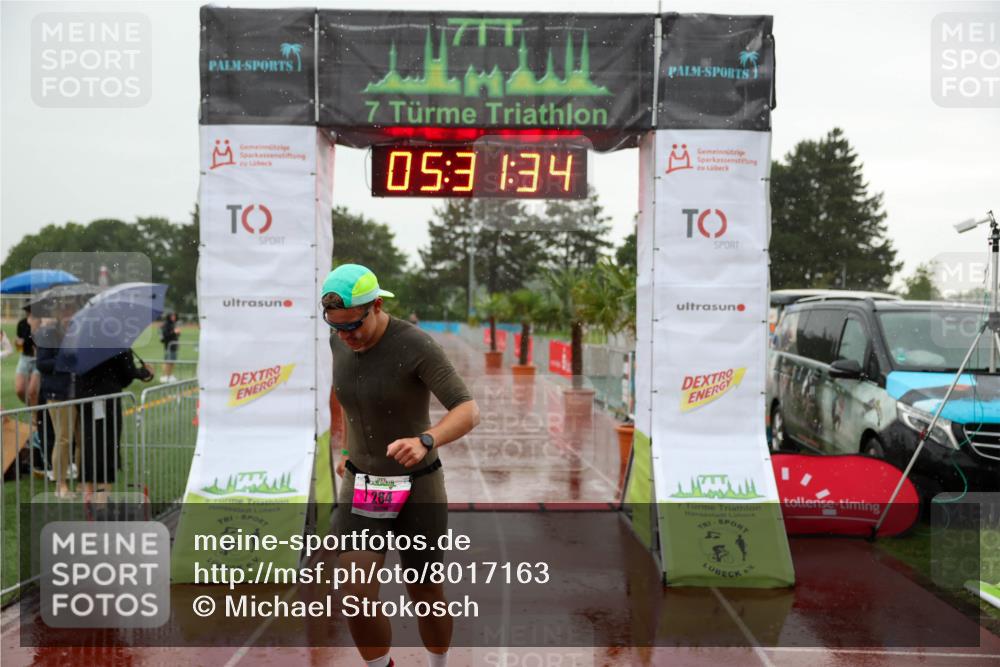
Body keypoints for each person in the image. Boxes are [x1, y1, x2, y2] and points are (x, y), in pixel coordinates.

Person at [323, 264, 479, 667]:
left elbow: (468, 409)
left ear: (376, 306)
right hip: (364, 485)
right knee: (355, 594)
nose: (346, 336)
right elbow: (341, 397)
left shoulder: (415, 345)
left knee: (424, 590)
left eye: (353, 326)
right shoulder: (338, 342)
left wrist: (427, 439)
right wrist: (345, 449)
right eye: (337, 327)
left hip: (418, 485)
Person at [77, 349, 153, 511]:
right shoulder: (117, 342)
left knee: (90, 444)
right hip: (107, 397)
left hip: (85, 397)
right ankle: (102, 500)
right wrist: (144, 372)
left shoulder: (83, 339)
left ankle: (88, 495)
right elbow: (126, 375)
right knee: (107, 446)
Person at [34, 302, 79, 498]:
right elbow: (42, 364)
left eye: (73, 309)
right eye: (66, 309)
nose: (69, 313)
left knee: (82, 439)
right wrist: (65, 359)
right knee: (63, 439)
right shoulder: (48, 333)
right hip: (58, 394)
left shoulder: (81, 331)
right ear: (59, 312)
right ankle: (60, 485)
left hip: (81, 392)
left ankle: (81, 482)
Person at [14, 306, 40, 404]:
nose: (28, 315)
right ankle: (32, 407)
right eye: (27, 312)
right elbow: (18, 347)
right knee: (20, 390)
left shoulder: (41, 323)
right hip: (25, 357)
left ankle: (35, 417)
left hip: (38, 359)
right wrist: (18, 344)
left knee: (32, 391)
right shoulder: (22, 324)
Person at [159, 312, 180, 382]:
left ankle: (170, 375)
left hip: (173, 346)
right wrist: (174, 332)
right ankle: (165, 376)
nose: (174, 317)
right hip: (168, 346)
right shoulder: (166, 324)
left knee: (172, 362)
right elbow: (166, 335)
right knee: (168, 362)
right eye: (172, 316)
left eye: (174, 316)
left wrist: (177, 333)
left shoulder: (173, 324)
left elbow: (175, 334)